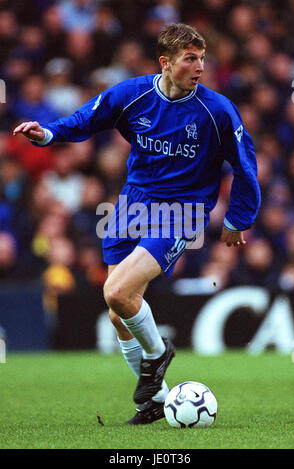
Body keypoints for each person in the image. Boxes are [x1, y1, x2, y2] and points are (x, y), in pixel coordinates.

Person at [13, 23, 261, 425]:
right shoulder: (132, 95)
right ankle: (155, 402)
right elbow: (87, 118)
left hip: (181, 212)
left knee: (116, 291)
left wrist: (237, 217)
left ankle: (158, 354)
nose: (200, 67)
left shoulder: (217, 110)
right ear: (165, 63)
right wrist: (48, 133)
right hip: (133, 205)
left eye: (202, 59)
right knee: (119, 311)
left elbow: (246, 166)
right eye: (190, 59)